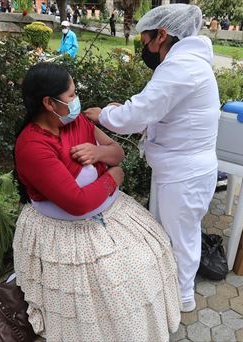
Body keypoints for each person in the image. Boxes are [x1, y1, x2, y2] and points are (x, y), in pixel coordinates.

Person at [13, 63, 181, 341]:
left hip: (109, 212)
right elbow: (78, 203)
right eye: (71, 95)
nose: (77, 100)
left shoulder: (75, 121)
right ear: (48, 102)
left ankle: (147, 329)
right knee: (113, 286)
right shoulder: (33, 146)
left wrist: (97, 152)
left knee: (149, 258)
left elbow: (117, 153)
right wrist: (113, 177)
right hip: (68, 230)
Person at [84, 4, 220, 313]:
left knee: (181, 238)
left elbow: (140, 113)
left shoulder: (181, 66)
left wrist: (104, 114)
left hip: (183, 174)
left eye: (145, 42)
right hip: (178, 171)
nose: (144, 49)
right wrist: (125, 111)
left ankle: (182, 298)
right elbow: (158, 111)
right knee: (171, 233)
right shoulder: (186, 63)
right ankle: (170, 289)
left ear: (162, 35)